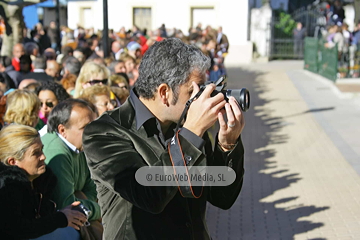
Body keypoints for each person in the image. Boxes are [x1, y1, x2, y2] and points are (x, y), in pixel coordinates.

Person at [82, 38, 245, 239]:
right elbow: (149, 196)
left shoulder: (188, 125)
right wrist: (191, 133)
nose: (203, 99)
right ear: (164, 92)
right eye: (194, 91)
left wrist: (227, 145)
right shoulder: (104, 132)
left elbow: (222, 197)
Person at [0, 124, 87, 240]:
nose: (43, 157)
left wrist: (64, 213)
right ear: (13, 161)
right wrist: (60, 218)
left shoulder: (43, 181)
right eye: (36, 153)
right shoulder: (7, 187)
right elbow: (16, 229)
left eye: (42, 149)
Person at [41, 99, 102, 239]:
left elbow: (92, 189)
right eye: (85, 127)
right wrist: (99, 210)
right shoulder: (58, 153)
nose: (93, 132)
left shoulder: (81, 145)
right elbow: (67, 204)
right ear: (62, 130)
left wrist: (88, 205)